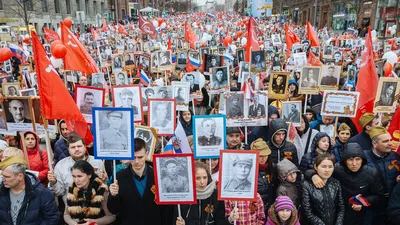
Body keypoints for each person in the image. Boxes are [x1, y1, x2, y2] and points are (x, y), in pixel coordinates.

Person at [307, 143, 385, 225]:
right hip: (339, 212)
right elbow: (311, 171)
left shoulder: (371, 173)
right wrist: (313, 175)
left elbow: (379, 195)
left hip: (362, 214)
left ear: (362, 160)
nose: (354, 163)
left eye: (358, 159)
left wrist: (363, 202)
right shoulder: (337, 169)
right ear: (345, 160)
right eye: (350, 159)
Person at [108, 138, 170, 225]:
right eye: (133, 157)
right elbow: (113, 210)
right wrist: (113, 195)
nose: (137, 161)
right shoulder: (119, 177)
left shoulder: (159, 175)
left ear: (146, 154)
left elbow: (166, 208)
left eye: (140, 157)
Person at [0, 156, 60, 224]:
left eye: (7, 177)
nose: (3, 180)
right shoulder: (1, 191)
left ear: (20, 176)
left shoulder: (42, 193)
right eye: (3, 176)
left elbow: (53, 218)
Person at [48, 132, 105, 202]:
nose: (76, 149)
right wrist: (54, 182)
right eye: (73, 147)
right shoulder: (61, 165)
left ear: (84, 147)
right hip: (72, 208)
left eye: (79, 146)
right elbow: (58, 192)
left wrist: (104, 180)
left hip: (95, 208)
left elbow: (104, 186)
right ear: (68, 150)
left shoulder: (97, 161)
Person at [363, 126, 400, 225]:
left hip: (392, 206)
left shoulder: (395, 156)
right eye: (385, 141)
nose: (390, 144)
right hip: (372, 208)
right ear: (374, 143)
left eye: (391, 140)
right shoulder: (363, 158)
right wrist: (315, 176)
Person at [175, 161, 230, 225]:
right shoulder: (184, 196)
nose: (202, 182)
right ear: (191, 178)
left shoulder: (215, 194)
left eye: (205, 177)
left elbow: (220, 220)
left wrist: (230, 219)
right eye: (198, 178)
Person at [64, 161, 115, 225]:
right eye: (74, 176)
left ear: (89, 175)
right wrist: (74, 224)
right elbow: (66, 214)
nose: (76, 180)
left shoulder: (101, 190)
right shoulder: (71, 189)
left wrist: (94, 222)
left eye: (80, 176)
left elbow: (111, 216)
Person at [302, 154, 345, 225]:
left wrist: (338, 223)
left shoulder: (336, 183)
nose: (327, 170)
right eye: (323, 166)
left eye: (330, 167)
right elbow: (307, 212)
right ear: (316, 166)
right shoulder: (306, 185)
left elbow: (341, 206)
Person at [251, 138, 277, 214]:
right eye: (261, 156)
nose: (264, 159)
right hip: (254, 206)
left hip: (269, 206)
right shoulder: (249, 169)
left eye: (266, 156)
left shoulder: (272, 167)